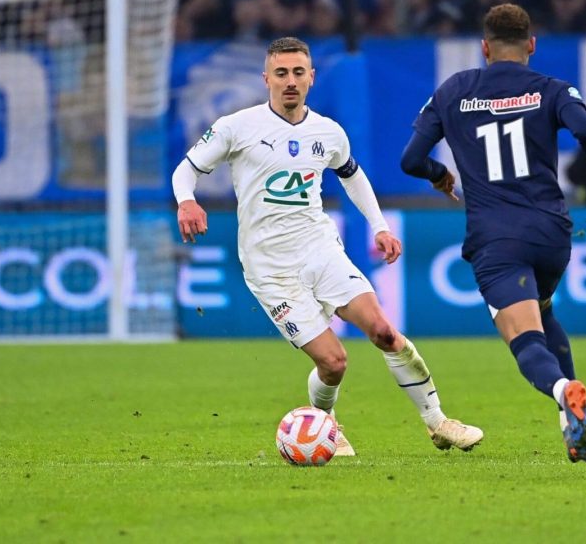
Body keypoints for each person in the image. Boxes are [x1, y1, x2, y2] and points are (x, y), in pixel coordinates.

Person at [173, 36, 483, 456]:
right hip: (270, 269)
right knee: (334, 363)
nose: (290, 81)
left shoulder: (328, 131)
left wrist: (379, 226)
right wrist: (187, 201)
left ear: (311, 78)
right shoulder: (236, 127)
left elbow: (352, 175)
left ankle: (438, 422)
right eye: (281, 73)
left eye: (298, 72)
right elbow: (185, 171)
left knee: (385, 332)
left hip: (320, 250)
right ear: (266, 78)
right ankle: (327, 425)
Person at [400, 4, 586, 463]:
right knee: (542, 313)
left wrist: (436, 172)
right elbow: (585, 127)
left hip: (496, 237)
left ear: (484, 47)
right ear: (531, 44)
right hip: (551, 234)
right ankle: (573, 424)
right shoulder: (551, 89)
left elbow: (410, 160)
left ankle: (565, 391)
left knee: (525, 339)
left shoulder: (454, 91)